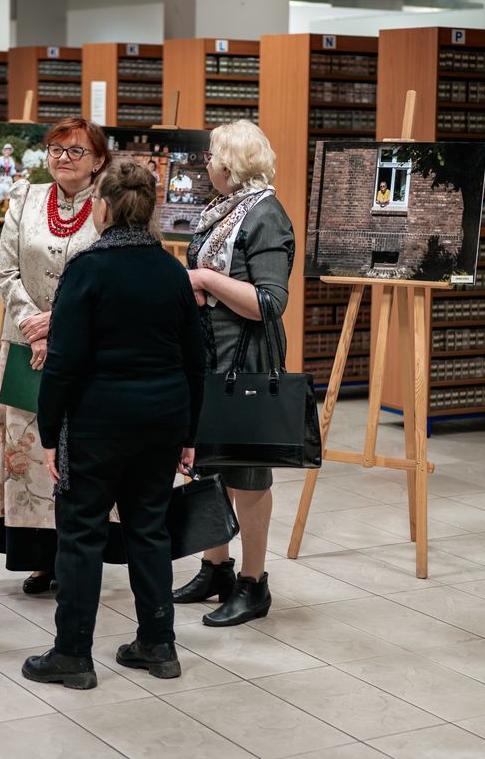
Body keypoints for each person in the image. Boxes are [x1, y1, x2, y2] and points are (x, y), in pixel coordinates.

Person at [21, 160, 205, 690]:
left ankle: (73, 655)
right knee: (150, 529)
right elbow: (195, 359)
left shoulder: (87, 269)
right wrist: (190, 431)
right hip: (164, 418)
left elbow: (64, 362)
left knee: (80, 535)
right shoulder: (171, 270)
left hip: (99, 421)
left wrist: (51, 433)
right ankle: (158, 645)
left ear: (102, 206)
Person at [171, 119, 295, 627]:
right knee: (207, 467)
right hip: (209, 358)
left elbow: (269, 302)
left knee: (246, 475)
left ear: (232, 164)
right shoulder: (220, 211)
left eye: (212, 157)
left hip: (245, 361)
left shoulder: (265, 214)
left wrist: (203, 278)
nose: (206, 165)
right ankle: (215, 567)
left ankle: (254, 581)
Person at [0, 117, 108, 595]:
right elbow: (5, 271)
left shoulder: (109, 205)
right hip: (26, 346)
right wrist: (33, 327)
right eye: (56, 149)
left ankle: (80, 555)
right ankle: (41, 558)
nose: (63, 158)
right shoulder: (26, 196)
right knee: (29, 451)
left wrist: (57, 323)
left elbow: (111, 275)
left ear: (98, 160)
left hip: (88, 349)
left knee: (79, 451)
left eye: (76, 151)